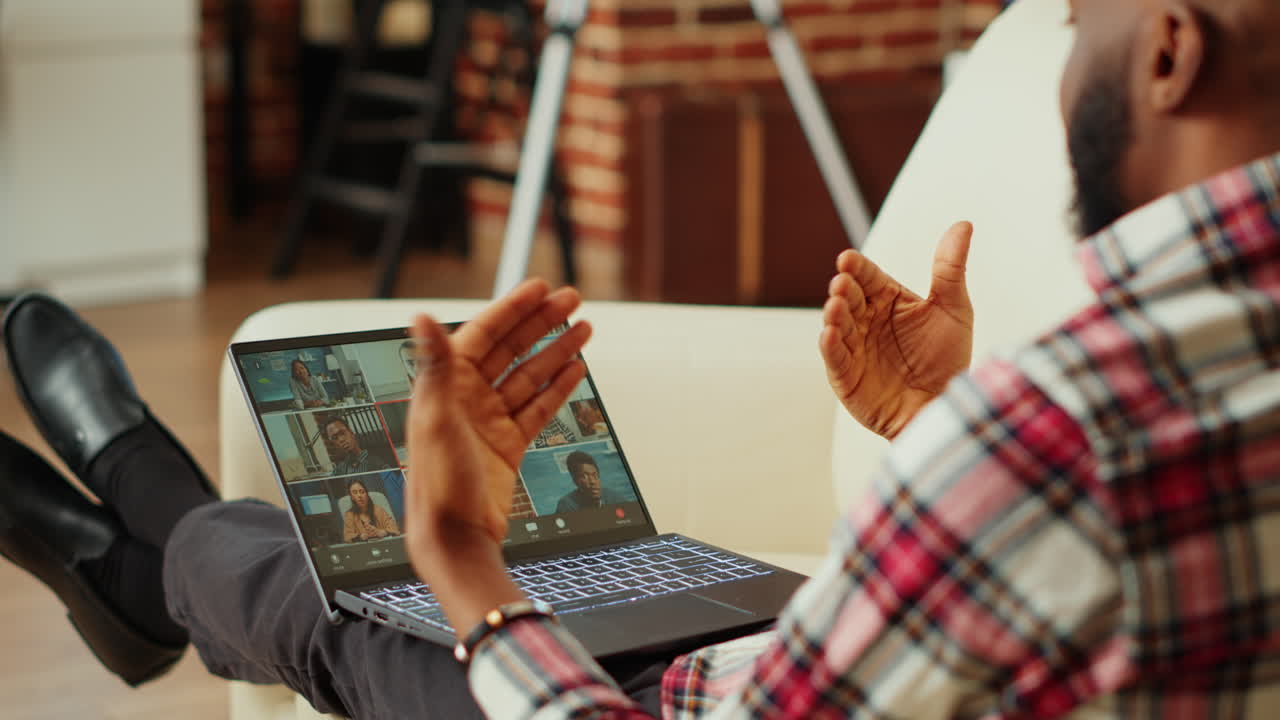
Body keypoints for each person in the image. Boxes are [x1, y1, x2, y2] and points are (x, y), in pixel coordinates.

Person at [0, 0, 1279, 716]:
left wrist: (461, 558)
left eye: (1074, 18)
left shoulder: (1063, 434)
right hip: (808, 641)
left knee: (318, 594)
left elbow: (1061, 497)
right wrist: (947, 418)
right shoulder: (1119, 399)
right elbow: (1064, 591)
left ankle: (135, 546)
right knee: (358, 569)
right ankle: (126, 550)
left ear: (1168, 50)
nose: (1060, 38)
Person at [324, 416, 395, 476]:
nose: (341, 439)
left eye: (342, 433)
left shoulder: (377, 463)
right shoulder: (339, 470)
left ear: (351, 433)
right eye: (335, 438)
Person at [554, 451, 622, 512]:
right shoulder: (567, 505)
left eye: (595, 475)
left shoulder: (613, 497)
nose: (592, 481)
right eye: (584, 476)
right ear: (575, 481)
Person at [342, 478, 401, 543]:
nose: (359, 495)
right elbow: (347, 537)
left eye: (362, 492)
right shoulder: (349, 515)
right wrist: (361, 536)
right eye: (355, 493)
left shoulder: (379, 510)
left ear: (367, 494)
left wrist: (382, 532)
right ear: (352, 497)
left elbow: (395, 529)